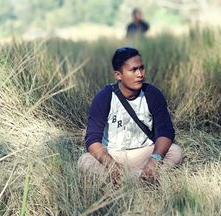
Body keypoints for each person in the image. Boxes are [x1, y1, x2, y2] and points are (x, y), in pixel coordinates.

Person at [78, 47, 183, 185]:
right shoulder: (104, 97)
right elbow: (92, 139)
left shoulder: (152, 94)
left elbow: (165, 131)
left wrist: (154, 160)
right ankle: (142, 180)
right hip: (113, 154)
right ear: (118, 75)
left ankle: (134, 179)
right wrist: (112, 166)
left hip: (143, 152)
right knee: (84, 162)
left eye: (141, 68)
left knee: (175, 151)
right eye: (133, 70)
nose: (140, 74)